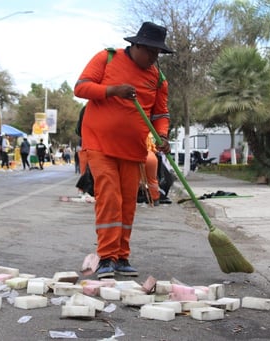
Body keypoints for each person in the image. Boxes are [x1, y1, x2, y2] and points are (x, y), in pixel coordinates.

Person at [74, 22, 172, 279]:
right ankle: (106, 256)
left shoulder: (159, 79)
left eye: (158, 54)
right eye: (150, 51)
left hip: (133, 150)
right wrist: (112, 90)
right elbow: (81, 87)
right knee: (109, 198)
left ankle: (121, 256)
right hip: (99, 143)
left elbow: (160, 114)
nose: (153, 58)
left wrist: (162, 135)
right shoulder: (107, 58)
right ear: (136, 45)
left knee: (128, 203)